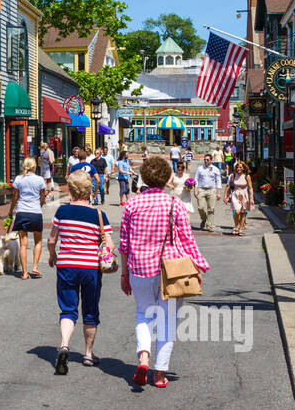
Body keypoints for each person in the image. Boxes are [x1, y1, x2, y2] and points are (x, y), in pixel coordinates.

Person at [118, 156, 209, 388]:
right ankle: (159, 373)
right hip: (171, 269)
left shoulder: (132, 205)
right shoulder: (174, 204)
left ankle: (144, 357)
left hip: (140, 268)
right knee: (168, 320)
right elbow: (187, 240)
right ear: (167, 177)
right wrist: (197, 266)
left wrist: (124, 274)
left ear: (144, 177)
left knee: (143, 314)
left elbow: (124, 244)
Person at [46, 170, 111, 374]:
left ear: (71, 190)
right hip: (90, 267)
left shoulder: (62, 212)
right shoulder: (98, 215)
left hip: (66, 265)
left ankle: (64, 345)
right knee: (90, 310)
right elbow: (109, 245)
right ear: (89, 190)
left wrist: (52, 255)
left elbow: (52, 240)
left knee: (68, 309)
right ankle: (88, 354)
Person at [8, 155, 48, 280]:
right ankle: (35, 267)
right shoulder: (40, 180)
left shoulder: (18, 179)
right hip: (35, 213)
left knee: (23, 244)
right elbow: (42, 198)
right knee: (38, 241)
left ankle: (25, 273)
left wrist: (11, 211)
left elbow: (15, 197)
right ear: (34, 167)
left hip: (22, 212)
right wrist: (38, 206)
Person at [224, 160, 255, 236]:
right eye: (237, 167)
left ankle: (240, 229)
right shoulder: (233, 175)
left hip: (244, 195)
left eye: (240, 167)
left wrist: (251, 198)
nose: (238, 169)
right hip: (235, 194)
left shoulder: (247, 176)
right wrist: (226, 197)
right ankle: (236, 226)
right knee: (237, 211)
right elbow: (228, 186)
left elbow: (250, 188)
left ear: (243, 168)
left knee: (242, 213)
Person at [193, 154, 222, 231]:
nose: (206, 161)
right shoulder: (200, 169)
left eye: (207, 160)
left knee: (211, 209)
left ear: (211, 160)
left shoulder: (215, 169)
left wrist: (219, 193)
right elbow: (196, 180)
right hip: (201, 189)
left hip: (212, 190)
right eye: (205, 160)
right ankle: (204, 219)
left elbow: (218, 181)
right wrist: (195, 190)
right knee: (200, 207)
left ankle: (209, 225)